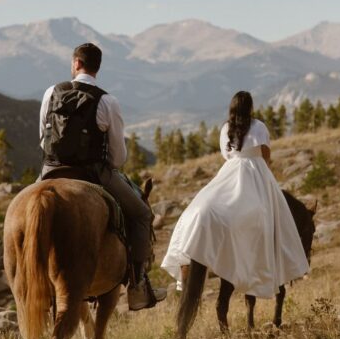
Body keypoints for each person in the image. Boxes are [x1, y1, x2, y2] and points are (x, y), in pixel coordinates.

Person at [39, 42, 166, 311]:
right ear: (98, 68)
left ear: (75, 63)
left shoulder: (51, 92)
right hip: (93, 173)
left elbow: (43, 138)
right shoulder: (107, 101)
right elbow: (118, 157)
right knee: (142, 214)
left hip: (50, 171)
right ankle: (139, 284)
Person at [161, 90, 309, 298]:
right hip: (257, 172)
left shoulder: (225, 129)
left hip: (230, 171)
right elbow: (266, 156)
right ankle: (264, 265)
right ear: (250, 108)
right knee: (270, 216)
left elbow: (226, 155)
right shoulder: (259, 127)